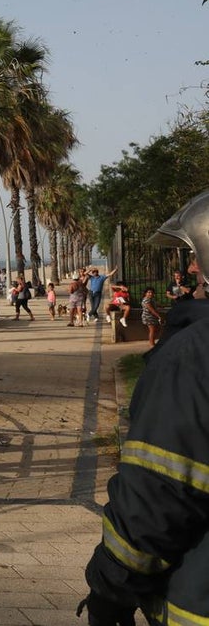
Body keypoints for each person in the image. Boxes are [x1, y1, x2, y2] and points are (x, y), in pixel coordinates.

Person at [80, 190, 209, 625]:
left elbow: (161, 492)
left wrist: (110, 590)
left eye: (194, 255)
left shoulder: (194, 356)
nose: (190, 266)